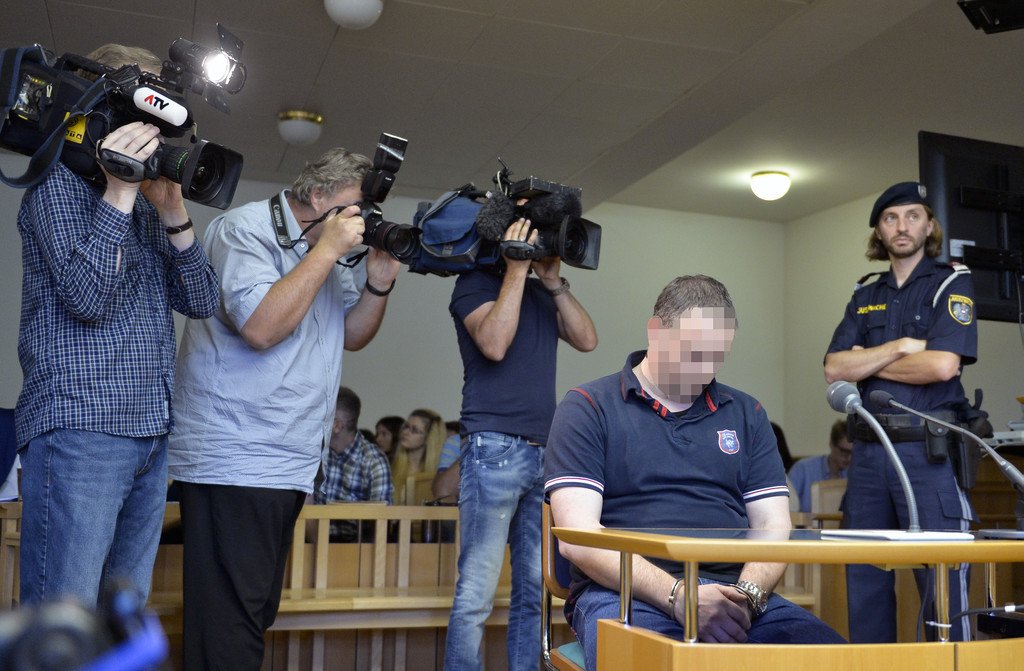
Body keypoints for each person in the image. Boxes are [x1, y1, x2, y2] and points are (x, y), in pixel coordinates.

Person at [168, 146, 401, 670]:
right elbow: (261, 327)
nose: (360, 222)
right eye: (353, 207)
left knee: (252, 612)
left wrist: (380, 281)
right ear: (317, 195)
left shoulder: (327, 252)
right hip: (235, 457)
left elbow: (353, 334)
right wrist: (327, 252)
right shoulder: (244, 230)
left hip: (288, 460)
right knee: (230, 621)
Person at [546, 275, 844, 670]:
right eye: (694, 353)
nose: (705, 370)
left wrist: (747, 597)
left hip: (734, 594)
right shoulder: (588, 406)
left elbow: (773, 525)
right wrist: (679, 597)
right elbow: (578, 539)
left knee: (838, 660)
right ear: (656, 332)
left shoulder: (747, 413)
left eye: (717, 357)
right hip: (625, 593)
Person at [14, 44, 219, 607]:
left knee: (122, 616)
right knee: (66, 616)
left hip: (149, 432)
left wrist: (173, 210)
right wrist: (120, 191)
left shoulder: (150, 205)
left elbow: (202, 300)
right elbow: (87, 298)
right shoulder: (55, 187)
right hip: (81, 427)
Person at [824, 181, 977, 643]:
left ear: (929, 225)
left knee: (943, 588)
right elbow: (834, 368)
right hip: (869, 455)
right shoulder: (865, 293)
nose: (902, 226)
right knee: (864, 584)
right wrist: (900, 347)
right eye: (890, 218)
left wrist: (868, 361)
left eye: (913, 215)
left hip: (927, 453)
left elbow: (942, 365)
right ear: (879, 231)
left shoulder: (951, 282)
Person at [444, 215, 598, 671]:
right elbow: (493, 344)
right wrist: (515, 269)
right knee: (476, 590)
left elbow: (588, 340)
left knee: (533, 590)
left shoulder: (539, 292)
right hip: (492, 446)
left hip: (544, 450)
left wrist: (551, 282)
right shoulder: (472, 284)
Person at [313, 387, 393, 542]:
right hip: (312, 539)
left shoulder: (373, 460)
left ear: (337, 426)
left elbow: (382, 519)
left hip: (357, 544)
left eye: (320, 415)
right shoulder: (314, 452)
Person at [787, 420, 852, 513]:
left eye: (852, 453)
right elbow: (788, 505)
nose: (849, 457)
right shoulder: (803, 469)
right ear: (831, 444)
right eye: (844, 451)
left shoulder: (853, 474)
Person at [391, 408, 444, 505]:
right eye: (406, 427)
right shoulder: (390, 466)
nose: (406, 432)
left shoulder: (438, 474)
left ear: (429, 438)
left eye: (414, 430)